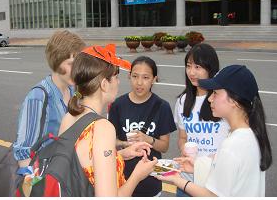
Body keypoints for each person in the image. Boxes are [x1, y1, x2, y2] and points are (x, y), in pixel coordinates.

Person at [156, 65, 272, 197]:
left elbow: (212, 196)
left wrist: (176, 179)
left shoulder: (232, 146)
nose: (210, 98)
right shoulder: (249, 133)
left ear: (234, 100)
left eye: (215, 93)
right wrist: (198, 167)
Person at [58, 44, 157, 196]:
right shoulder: (103, 128)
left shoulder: (69, 117)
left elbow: (84, 164)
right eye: (116, 77)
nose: (118, 82)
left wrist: (121, 154)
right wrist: (137, 175)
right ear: (104, 84)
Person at [13, 30, 86, 169]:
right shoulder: (38, 98)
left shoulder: (73, 91)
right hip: (47, 180)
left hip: (66, 174)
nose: (78, 70)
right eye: (71, 64)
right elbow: (24, 155)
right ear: (56, 61)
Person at [108, 56, 177, 197]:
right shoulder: (117, 105)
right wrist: (124, 143)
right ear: (129, 76)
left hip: (152, 181)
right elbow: (110, 142)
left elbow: (164, 146)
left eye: (145, 77)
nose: (139, 83)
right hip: (122, 180)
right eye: (135, 76)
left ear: (154, 79)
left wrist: (148, 139)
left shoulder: (162, 106)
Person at [174, 43, 230, 197]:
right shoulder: (182, 101)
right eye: (188, 66)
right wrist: (184, 149)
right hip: (187, 181)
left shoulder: (222, 100)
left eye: (198, 67)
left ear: (210, 69)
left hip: (216, 181)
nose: (191, 72)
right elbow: (182, 137)